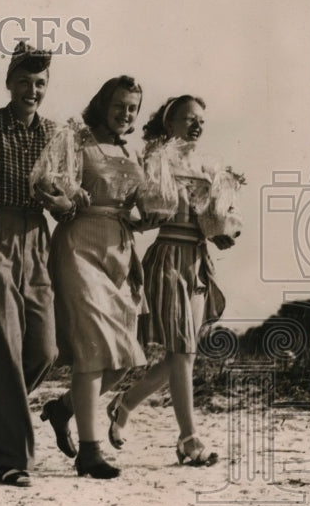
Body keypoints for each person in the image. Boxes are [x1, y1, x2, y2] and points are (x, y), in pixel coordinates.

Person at [38, 75, 166, 479]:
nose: (125, 114)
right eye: (119, 105)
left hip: (120, 249)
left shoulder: (133, 152)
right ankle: (90, 452)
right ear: (102, 103)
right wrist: (64, 196)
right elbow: (46, 183)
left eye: (132, 108)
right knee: (95, 349)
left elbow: (138, 210)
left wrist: (150, 216)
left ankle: (61, 410)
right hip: (79, 245)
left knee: (122, 359)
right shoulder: (76, 140)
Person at [100, 95, 234, 465]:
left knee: (182, 355)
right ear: (169, 123)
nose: (197, 125)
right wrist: (138, 221)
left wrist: (223, 230)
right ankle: (189, 441)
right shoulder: (154, 159)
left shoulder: (208, 165)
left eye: (201, 120)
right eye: (189, 119)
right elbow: (136, 207)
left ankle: (123, 405)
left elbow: (213, 218)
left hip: (198, 260)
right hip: (169, 258)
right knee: (182, 352)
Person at [0, 42, 62, 488]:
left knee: (45, 349)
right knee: (4, 344)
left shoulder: (56, 134)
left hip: (37, 235)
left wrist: (67, 200)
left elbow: (64, 196)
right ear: (8, 83)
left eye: (39, 83)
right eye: (23, 81)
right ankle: (11, 458)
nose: (31, 90)